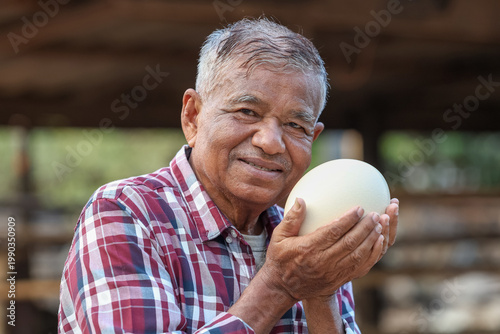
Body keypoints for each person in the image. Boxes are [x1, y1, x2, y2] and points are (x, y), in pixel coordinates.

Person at [58, 18, 399, 334]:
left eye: (296, 125)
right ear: (193, 117)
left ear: (313, 138)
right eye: (247, 111)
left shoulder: (311, 241)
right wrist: (279, 285)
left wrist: (321, 291)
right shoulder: (125, 213)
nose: (270, 142)